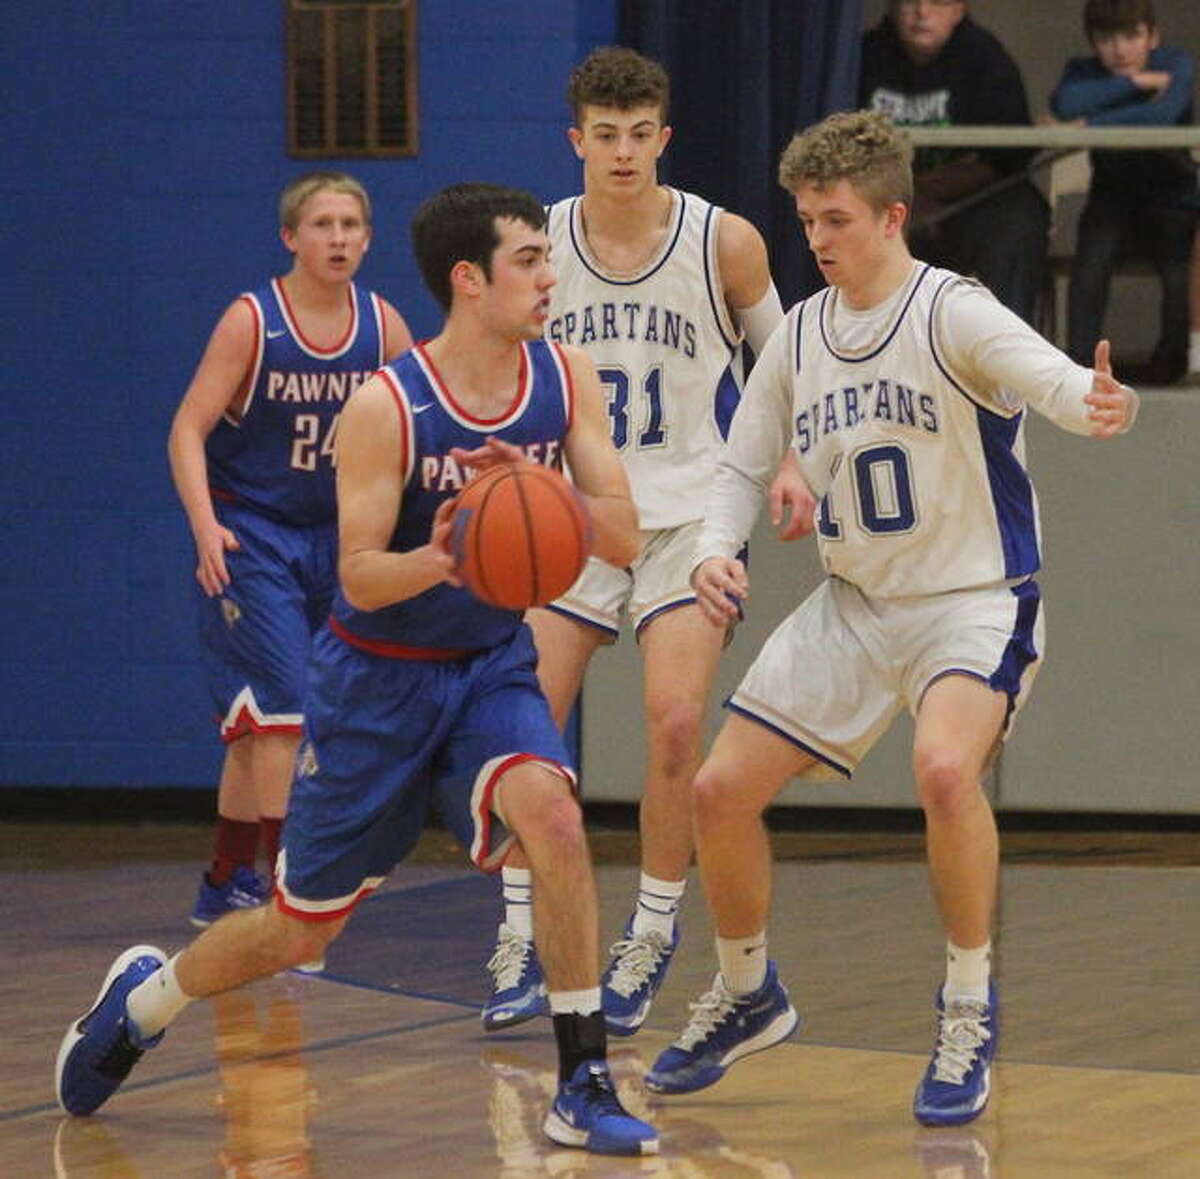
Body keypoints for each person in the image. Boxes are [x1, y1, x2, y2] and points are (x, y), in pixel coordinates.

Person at [56, 183, 658, 1158]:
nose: (551, 278)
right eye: (529, 262)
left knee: (552, 814)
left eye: (551, 259)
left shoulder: (567, 376)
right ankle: (148, 999)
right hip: (376, 682)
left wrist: (544, 496)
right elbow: (362, 577)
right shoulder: (390, 403)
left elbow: (625, 535)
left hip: (490, 663)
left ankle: (582, 1078)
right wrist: (457, 547)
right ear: (470, 280)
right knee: (299, 934)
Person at [643, 111, 1137, 1129]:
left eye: (835, 219)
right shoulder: (801, 339)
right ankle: (746, 991)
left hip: (973, 602)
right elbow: (740, 465)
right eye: (806, 221)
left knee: (946, 770)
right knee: (719, 789)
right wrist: (712, 552)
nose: (817, 240)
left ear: (892, 215)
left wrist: (1090, 398)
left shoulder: (951, 311)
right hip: (856, 605)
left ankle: (966, 1006)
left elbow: (1043, 374)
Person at [480, 46, 796, 1038]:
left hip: (691, 516)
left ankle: (652, 929)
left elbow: (785, 368)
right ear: (576, 141)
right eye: (603, 135)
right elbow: (497, 369)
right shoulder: (534, 247)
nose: (622, 152)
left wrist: (789, 464)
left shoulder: (724, 242)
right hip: (571, 514)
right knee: (528, 728)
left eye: (639, 134)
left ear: (665, 136)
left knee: (671, 723)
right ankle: (520, 933)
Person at [168, 172, 411, 930]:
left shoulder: (382, 325)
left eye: (350, 225)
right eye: (323, 224)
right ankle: (287, 895)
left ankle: (223, 879)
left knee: (256, 728)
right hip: (255, 533)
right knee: (285, 716)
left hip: (338, 540)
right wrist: (206, 526)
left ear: (369, 239)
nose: (338, 238)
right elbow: (186, 429)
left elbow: (423, 418)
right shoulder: (253, 321)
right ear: (290, 238)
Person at [860, 0, 1049, 325]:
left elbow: (1010, 154)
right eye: (910, 2)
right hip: (884, 201)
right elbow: (840, 154)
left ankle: (1010, 356)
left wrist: (934, 193)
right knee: (843, 215)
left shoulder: (986, 58)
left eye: (938, 1)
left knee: (1020, 217)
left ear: (960, 8)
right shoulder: (862, 56)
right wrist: (907, 198)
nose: (922, 13)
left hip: (968, 202)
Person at [1049, 0, 1197, 385]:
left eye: (1131, 36)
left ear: (1153, 36)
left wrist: (1090, 123)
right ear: (1092, 41)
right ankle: (1080, 368)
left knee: (1178, 270)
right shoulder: (1083, 71)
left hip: (1173, 196)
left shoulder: (1175, 62)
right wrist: (1135, 83)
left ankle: (1172, 364)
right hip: (1111, 197)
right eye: (1106, 38)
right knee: (1091, 262)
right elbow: (1065, 103)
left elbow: (1162, 117)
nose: (1120, 49)